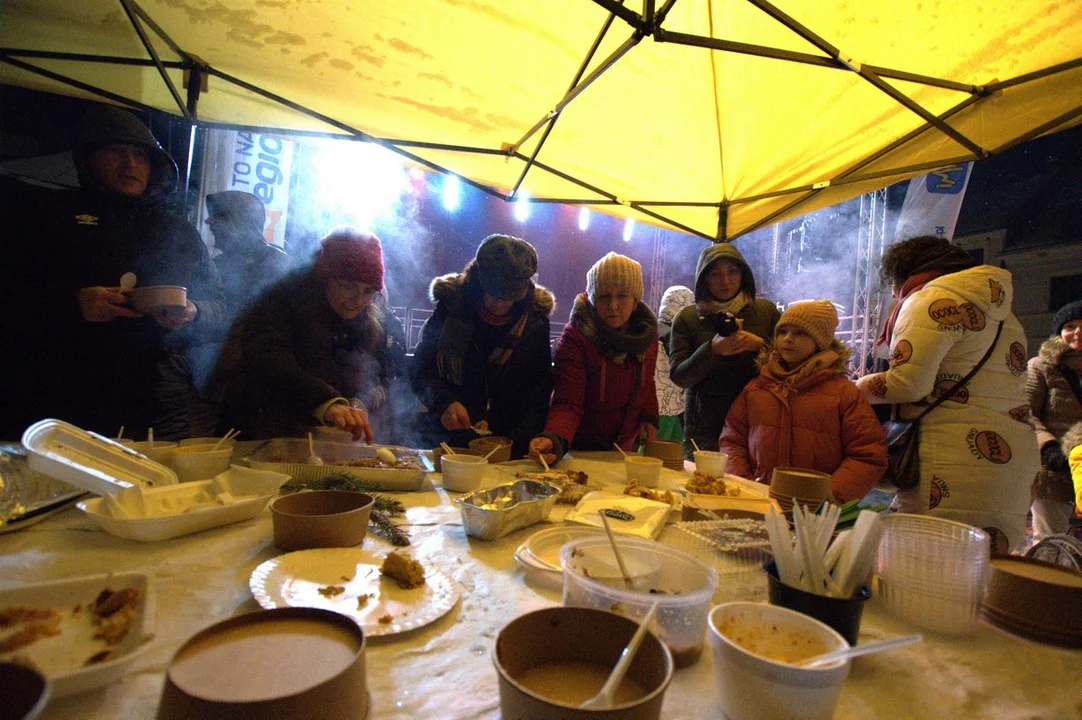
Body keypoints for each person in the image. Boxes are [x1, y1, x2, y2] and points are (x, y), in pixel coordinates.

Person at [0, 104, 225, 440]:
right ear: (88, 159)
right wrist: (74, 303)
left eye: (140, 154)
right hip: (57, 402)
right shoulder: (45, 215)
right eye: (115, 151)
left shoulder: (176, 230)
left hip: (154, 407)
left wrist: (195, 312)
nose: (130, 164)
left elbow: (221, 305)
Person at [855, 235, 1039, 553]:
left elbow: (909, 383)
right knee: (979, 578)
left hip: (948, 463)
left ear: (904, 275)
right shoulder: (1007, 315)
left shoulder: (928, 300)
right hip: (1012, 464)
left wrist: (853, 387)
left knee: (920, 571)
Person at [217, 228, 387, 442]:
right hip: (258, 430)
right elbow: (267, 356)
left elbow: (371, 372)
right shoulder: (284, 299)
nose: (358, 300)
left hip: (311, 439)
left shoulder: (365, 322)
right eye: (349, 287)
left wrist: (357, 400)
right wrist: (326, 402)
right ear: (327, 278)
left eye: (369, 291)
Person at [719, 300, 887, 502]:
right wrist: (744, 485)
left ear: (820, 341)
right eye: (783, 332)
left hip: (817, 516)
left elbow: (868, 455)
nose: (788, 339)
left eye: (800, 333)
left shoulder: (843, 393)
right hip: (760, 504)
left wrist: (826, 497)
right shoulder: (756, 388)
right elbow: (732, 439)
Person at [411, 235, 555, 457]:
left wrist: (521, 437)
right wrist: (444, 403)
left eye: (507, 297)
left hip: (509, 444)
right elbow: (421, 369)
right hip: (449, 442)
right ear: (479, 279)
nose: (497, 304)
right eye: (492, 293)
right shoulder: (452, 307)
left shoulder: (535, 321)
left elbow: (539, 389)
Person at [529, 252, 659, 465]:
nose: (613, 306)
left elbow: (647, 381)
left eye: (623, 295)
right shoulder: (576, 337)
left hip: (624, 449)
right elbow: (568, 401)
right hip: (581, 450)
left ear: (636, 300)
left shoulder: (647, 335)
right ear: (591, 299)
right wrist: (555, 438)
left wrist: (649, 416)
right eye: (604, 296)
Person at [188, 191, 291, 435]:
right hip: (206, 386)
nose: (209, 222)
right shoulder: (216, 265)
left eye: (220, 216)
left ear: (244, 221)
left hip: (253, 394)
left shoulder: (277, 265)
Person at [669, 243, 781, 458]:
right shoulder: (688, 318)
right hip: (705, 428)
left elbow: (790, 362)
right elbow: (680, 376)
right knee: (704, 486)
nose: (725, 281)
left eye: (732, 271)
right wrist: (712, 350)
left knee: (752, 489)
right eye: (715, 274)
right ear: (704, 279)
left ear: (743, 274)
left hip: (757, 423)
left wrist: (760, 345)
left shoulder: (765, 312)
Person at [1026, 300, 1082, 540]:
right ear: (1060, 332)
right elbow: (1026, 413)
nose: (1078, 332)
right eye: (1070, 326)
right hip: (1054, 471)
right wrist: (1049, 448)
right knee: (1051, 542)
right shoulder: (1041, 367)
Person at [654, 285, 694, 442]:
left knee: (674, 446)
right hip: (666, 404)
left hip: (661, 403)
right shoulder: (677, 335)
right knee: (656, 451)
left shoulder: (654, 330)